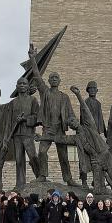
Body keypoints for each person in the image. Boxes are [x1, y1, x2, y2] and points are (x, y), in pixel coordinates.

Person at [68, 86, 112, 195]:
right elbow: (61, 139)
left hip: (104, 154)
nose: (73, 124)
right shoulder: (76, 138)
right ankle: (109, 191)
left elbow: (85, 110)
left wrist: (78, 95)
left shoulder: (89, 126)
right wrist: (42, 137)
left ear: (77, 121)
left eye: (73, 121)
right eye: (71, 124)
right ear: (71, 127)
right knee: (97, 190)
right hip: (95, 161)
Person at [28, 45, 78, 185]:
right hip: (48, 129)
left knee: (63, 155)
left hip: (60, 129)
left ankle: (68, 179)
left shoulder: (65, 97)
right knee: (42, 152)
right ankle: (43, 175)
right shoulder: (45, 92)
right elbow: (37, 76)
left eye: (56, 77)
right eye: (52, 77)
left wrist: (75, 124)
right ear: (49, 81)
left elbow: (70, 115)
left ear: (59, 81)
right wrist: (32, 59)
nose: (54, 79)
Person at [3, 78, 40, 190]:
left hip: (28, 133)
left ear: (28, 86)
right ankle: (20, 183)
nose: (22, 85)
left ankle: (40, 177)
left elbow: (37, 117)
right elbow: (8, 122)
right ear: (17, 86)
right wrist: (6, 139)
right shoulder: (13, 103)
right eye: (20, 83)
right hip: (16, 135)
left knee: (33, 157)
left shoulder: (32, 100)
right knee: (19, 160)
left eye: (24, 83)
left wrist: (25, 119)